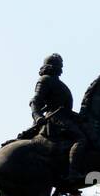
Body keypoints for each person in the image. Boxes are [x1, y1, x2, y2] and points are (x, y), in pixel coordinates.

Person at [16, 53, 88, 187]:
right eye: (58, 65)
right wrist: (37, 117)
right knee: (80, 139)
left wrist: (79, 117)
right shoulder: (44, 80)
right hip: (53, 120)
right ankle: (73, 173)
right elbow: (35, 102)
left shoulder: (60, 84)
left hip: (63, 118)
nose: (60, 68)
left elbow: (66, 110)